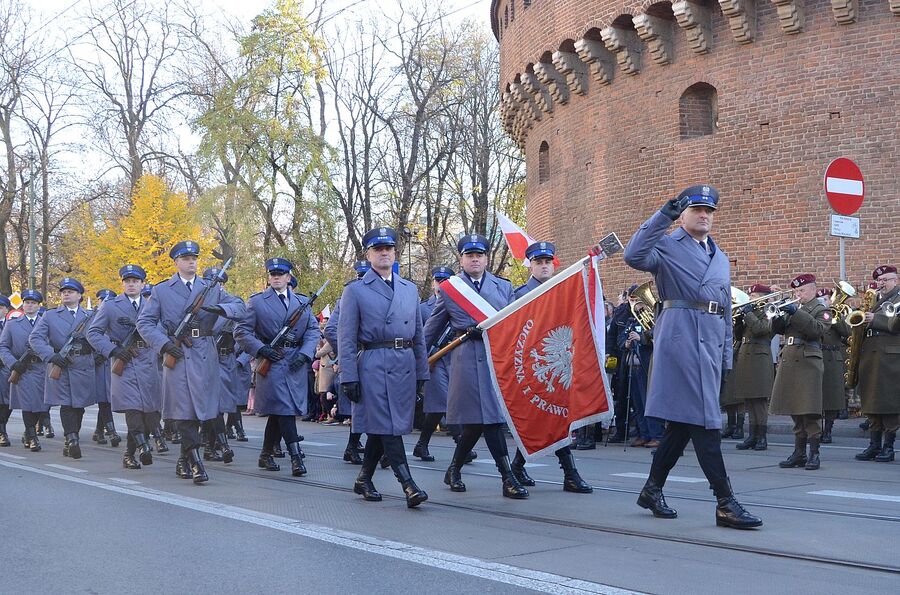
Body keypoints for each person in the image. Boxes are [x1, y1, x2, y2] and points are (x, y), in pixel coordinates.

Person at [621, 184, 761, 529]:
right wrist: (662, 215)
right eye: (697, 210)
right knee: (705, 421)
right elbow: (633, 256)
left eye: (709, 211)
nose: (704, 216)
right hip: (680, 341)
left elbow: (727, 311)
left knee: (682, 425)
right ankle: (725, 502)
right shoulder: (667, 245)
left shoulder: (721, 256)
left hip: (710, 344)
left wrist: (726, 358)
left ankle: (652, 490)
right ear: (682, 215)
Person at [423, 233, 529, 499]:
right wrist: (415, 361)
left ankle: (454, 469)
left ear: (486, 258)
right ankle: (507, 477)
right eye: (469, 255)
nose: (475, 259)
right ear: (461, 259)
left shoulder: (503, 287)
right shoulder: (450, 289)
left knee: (478, 422)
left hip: (497, 360)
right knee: (487, 418)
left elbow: (516, 324)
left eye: (479, 255)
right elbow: (431, 329)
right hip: (466, 360)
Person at [136, 241, 245, 484]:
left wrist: (218, 308)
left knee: (200, 412)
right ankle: (196, 461)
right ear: (176, 262)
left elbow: (239, 306)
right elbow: (144, 323)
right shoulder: (163, 290)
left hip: (204, 353)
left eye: (194, 257)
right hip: (178, 352)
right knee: (184, 410)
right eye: (185, 258)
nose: (191, 262)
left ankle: (184, 459)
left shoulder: (211, 287)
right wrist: (164, 344)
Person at [338, 227, 429, 508]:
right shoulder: (355, 291)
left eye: (389, 248)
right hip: (374, 365)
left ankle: (364, 478)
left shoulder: (409, 288)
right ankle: (408, 484)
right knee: (388, 426)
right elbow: (346, 336)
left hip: (403, 364)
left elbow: (418, 334)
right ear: (368, 254)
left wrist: (422, 372)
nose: (384, 253)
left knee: (383, 426)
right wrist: (348, 376)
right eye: (378, 249)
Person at [508, 242, 592, 493]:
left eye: (547, 262)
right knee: (540, 417)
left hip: (560, 365)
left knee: (556, 417)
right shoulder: (520, 294)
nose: (544, 266)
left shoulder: (565, 291)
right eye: (538, 262)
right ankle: (567, 472)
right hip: (532, 366)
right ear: (531, 265)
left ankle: (523, 467)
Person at [234, 257, 320, 477]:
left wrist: (305, 354)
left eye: (280, 274)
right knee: (285, 410)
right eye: (272, 274)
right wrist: (262, 349)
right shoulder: (257, 302)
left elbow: (312, 330)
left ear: (288, 277)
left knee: (279, 412)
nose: (276, 278)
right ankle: (296, 457)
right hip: (272, 362)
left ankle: (265, 454)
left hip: (294, 363)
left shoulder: (301, 303)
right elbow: (242, 332)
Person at [86, 265, 162, 469]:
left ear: (142, 284)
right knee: (133, 408)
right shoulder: (110, 306)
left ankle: (130, 453)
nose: (131, 284)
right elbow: (93, 333)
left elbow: (162, 329)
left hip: (147, 360)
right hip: (124, 361)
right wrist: (112, 350)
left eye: (135, 281)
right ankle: (143, 445)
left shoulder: (152, 305)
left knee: (149, 412)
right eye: (127, 281)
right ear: (122, 283)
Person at [29, 277, 98, 459]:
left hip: (83, 365)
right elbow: (35, 339)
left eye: (71, 291)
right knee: (67, 404)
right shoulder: (50, 315)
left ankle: (71, 438)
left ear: (80, 295)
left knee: (80, 406)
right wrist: (51, 355)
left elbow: (99, 337)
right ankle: (72, 438)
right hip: (61, 363)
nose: (66, 293)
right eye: (63, 291)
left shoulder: (89, 316)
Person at [769, 274, 829, 470]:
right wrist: (777, 312)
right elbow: (777, 330)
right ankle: (799, 453)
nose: (798, 294)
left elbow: (817, 330)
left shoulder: (822, 309)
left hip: (808, 361)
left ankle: (814, 454)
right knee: (795, 409)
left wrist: (795, 312)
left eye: (802, 291)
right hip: (789, 360)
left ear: (813, 289)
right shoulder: (795, 309)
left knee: (809, 409)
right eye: (796, 291)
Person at [325, 260, 370, 463]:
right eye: (360, 276)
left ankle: (357, 446)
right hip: (361, 356)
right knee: (362, 404)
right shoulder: (347, 297)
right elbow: (331, 329)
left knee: (372, 405)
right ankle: (355, 448)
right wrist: (347, 352)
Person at [855, 265, 899, 462]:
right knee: (872, 400)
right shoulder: (876, 299)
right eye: (879, 280)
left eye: (886, 279)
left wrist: (875, 319)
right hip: (871, 354)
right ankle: (874, 445)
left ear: (896, 280)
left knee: (889, 402)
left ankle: (888, 447)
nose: (882, 283)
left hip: (890, 356)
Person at [413, 265, 457, 462]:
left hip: (454, 358)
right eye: (438, 281)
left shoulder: (459, 305)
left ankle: (422, 444)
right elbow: (418, 336)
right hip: (433, 361)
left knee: (446, 404)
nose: (441, 285)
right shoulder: (423, 308)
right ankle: (461, 440)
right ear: (433, 284)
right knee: (444, 401)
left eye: (446, 281)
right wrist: (423, 359)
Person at [733, 284, 776, 451]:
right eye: (750, 296)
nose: (750, 299)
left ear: (763, 297)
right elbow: (738, 335)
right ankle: (751, 435)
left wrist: (748, 314)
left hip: (760, 357)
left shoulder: (770, 310)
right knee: (749, 399)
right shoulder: (749, 313)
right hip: (745, 356)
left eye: (754, 296)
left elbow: (761, 330)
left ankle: (761, 437)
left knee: (759, 401)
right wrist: (738, 321)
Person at [817, 287, 851, 444]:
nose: (823, 302)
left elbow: (847, 332)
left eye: (825, 299)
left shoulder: (837, 314)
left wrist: (835, 319)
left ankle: (828, 430)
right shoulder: (815, 315)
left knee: (831, 395)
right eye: (820, 300)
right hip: (818, 355)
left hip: (832, 357)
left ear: (831, 300)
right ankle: (816, 429)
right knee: (817, 395)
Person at [92, 288, 121, 448]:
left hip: (111, 360)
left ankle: (99, 430)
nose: (104, 303)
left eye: (108, 300)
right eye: (102, 300)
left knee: (107, 399)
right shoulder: (90, 317)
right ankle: (111, 431)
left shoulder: (114, 315)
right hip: (96, 365)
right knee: (104, 399)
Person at [0, 295, 11, 447]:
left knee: (7, 402)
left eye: (1, 307)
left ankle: (2, 426)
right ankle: (2, 431)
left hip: (6, 367)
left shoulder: (13, 325)